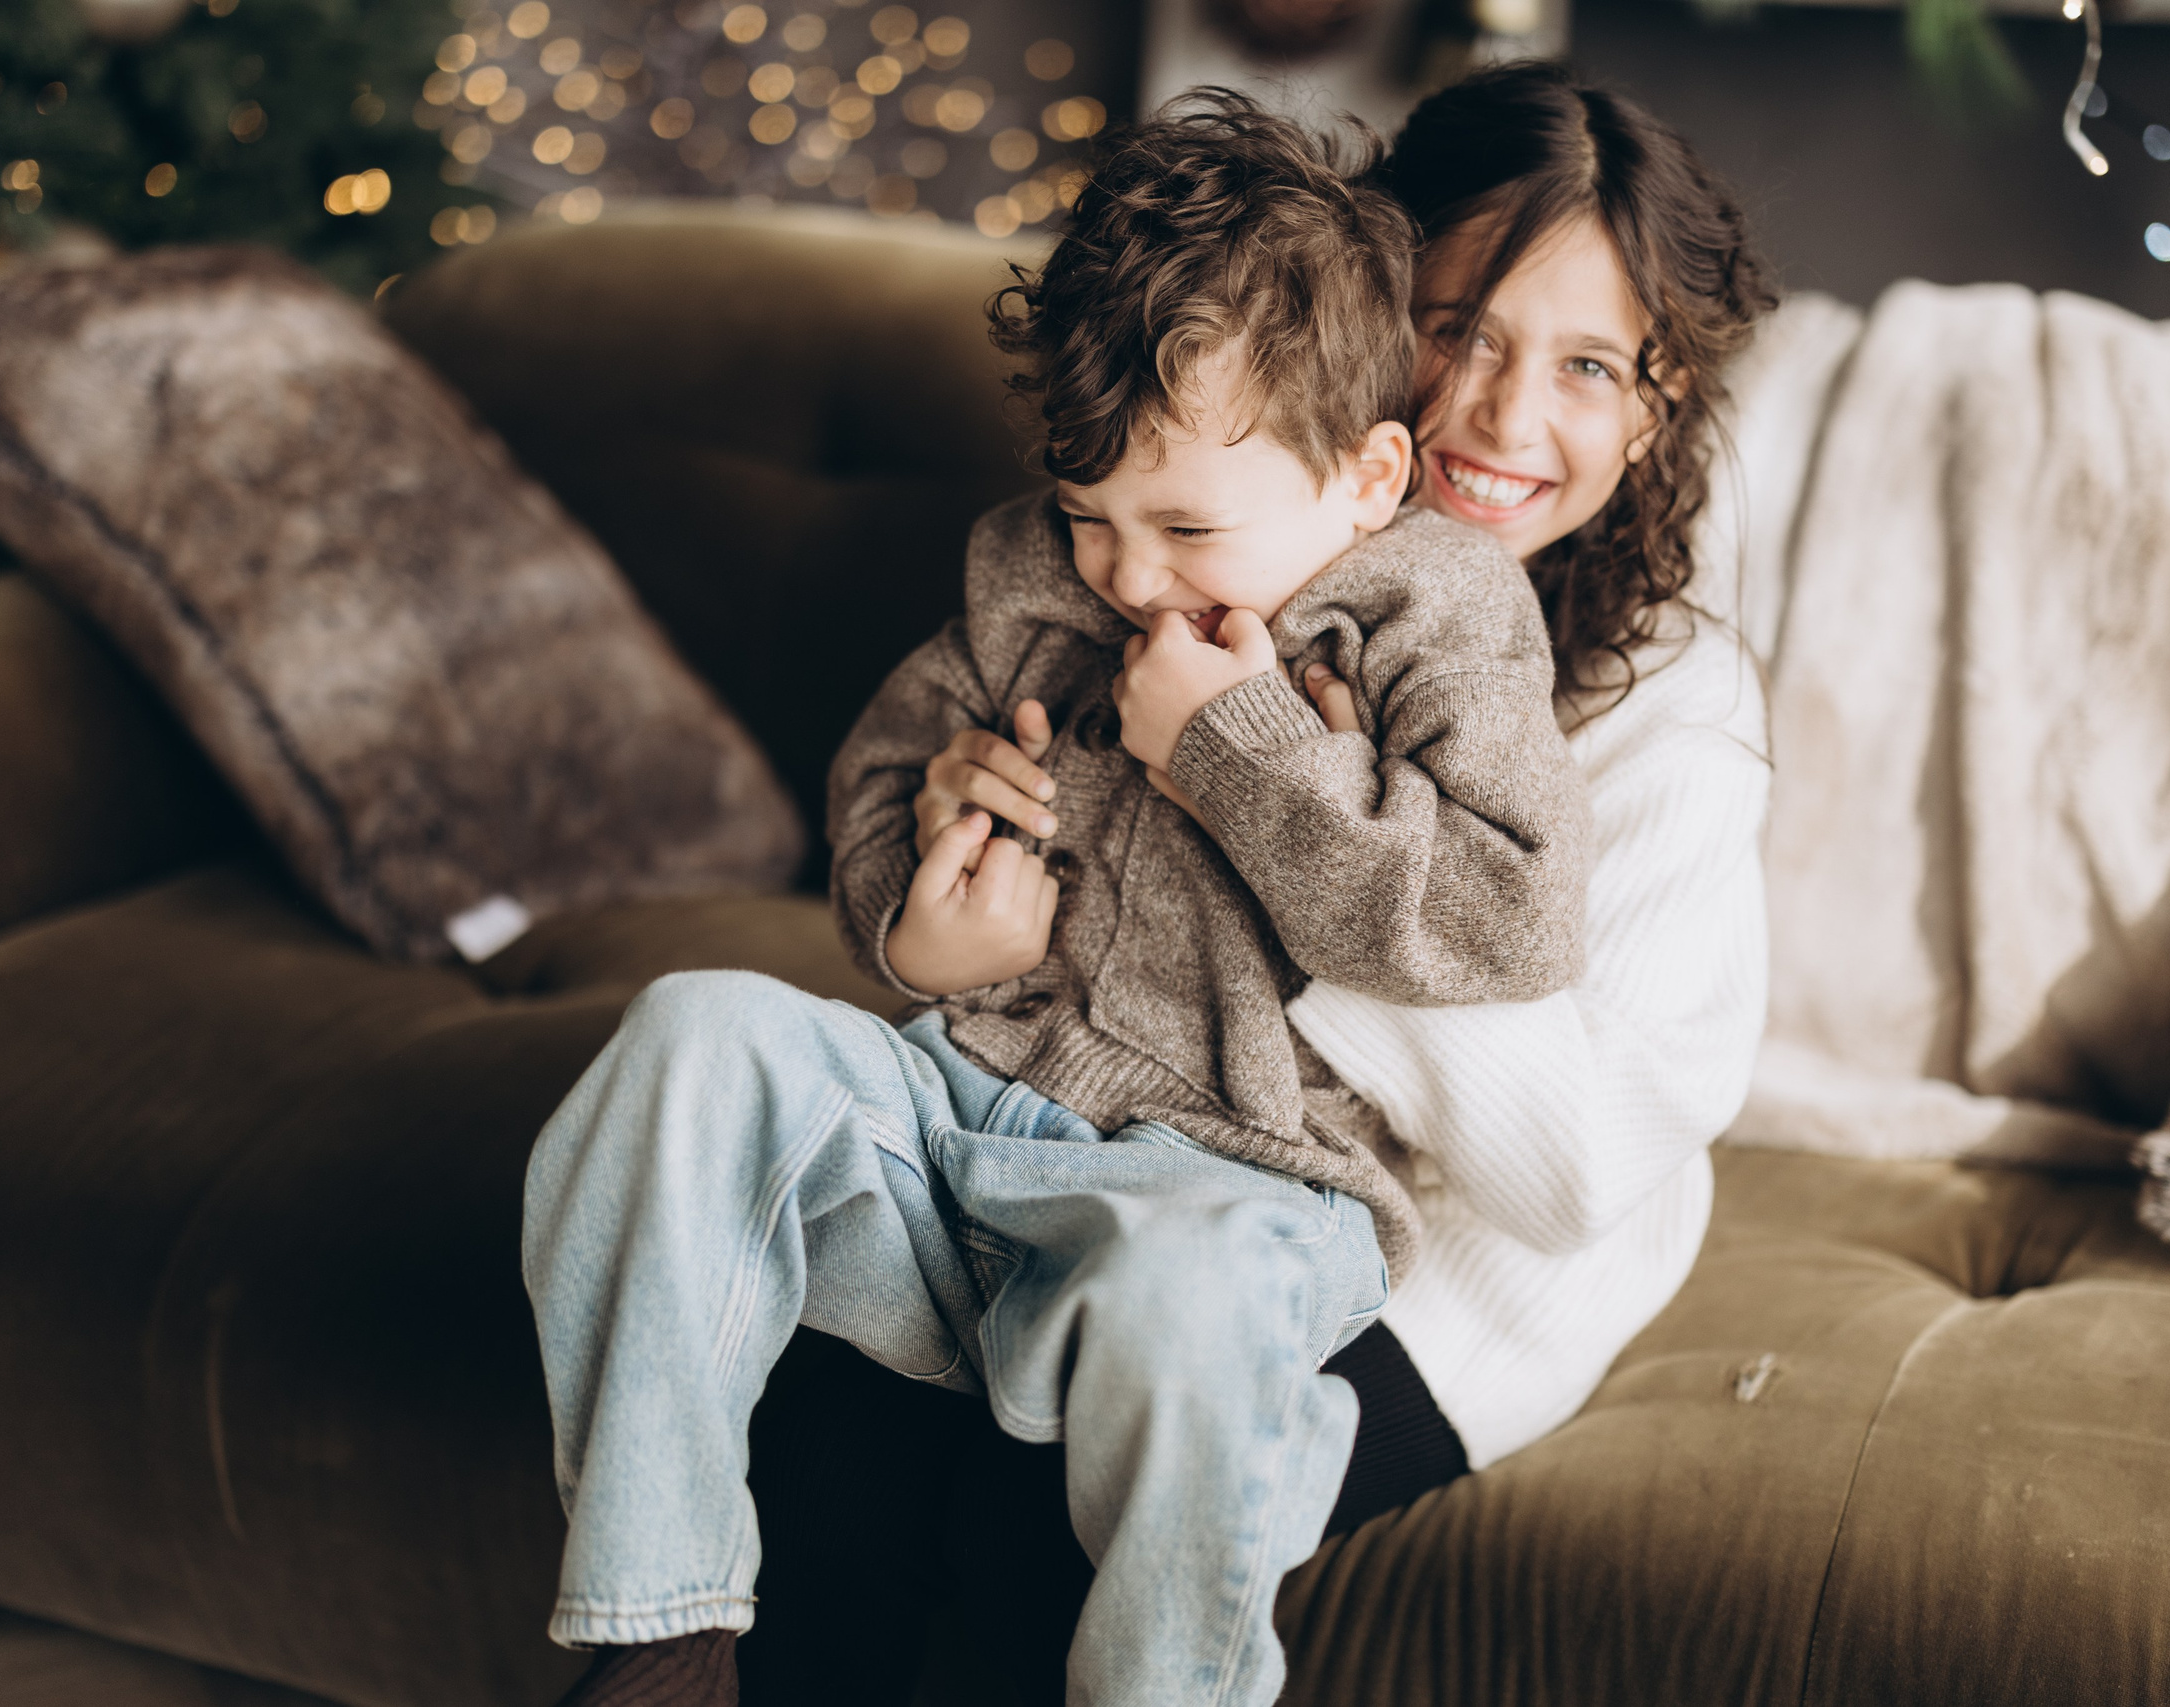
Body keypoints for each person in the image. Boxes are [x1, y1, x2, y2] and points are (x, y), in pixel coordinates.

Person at [524, 95, 1596, 1707]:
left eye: (1186, 527)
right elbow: (890, 768)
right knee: (695, 1037)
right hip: (958, 1121)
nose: (1127, 574)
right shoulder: (1029, 570)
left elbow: (1513, 914)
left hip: (1227, 1188)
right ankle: (660, 1632)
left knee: (1198, 1307)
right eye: (1093, 514)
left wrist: (1236, 749)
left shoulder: (1442, 610)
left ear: (1369, 476)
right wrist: (914, 923)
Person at [733, 61, 1783, 1705]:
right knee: (832, 1407)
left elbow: (1571, 1175)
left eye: (1589, 364)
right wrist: (959, 828)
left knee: (1035, 1505)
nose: (1503, 417)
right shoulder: (1192, 541)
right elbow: (1041, 947)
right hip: (1150, 1159)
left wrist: (1272, 807)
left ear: (1657, 408)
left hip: (1450, 1273)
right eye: (1455, 328)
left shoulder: (1680, 713)